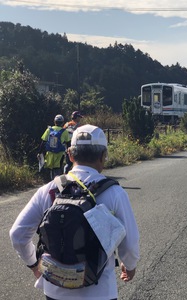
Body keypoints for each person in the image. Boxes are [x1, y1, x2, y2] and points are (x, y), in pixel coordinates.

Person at [10, 124, 140, 300]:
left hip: (54, 290)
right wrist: (129, 266)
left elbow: (17, 234)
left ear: (70, 155)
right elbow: (129, 242)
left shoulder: (49, 190)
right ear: (104, 156)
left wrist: (34, 264)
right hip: (99, 292)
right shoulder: (114, 193)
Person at [38, 114, 71, 180]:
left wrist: (39, 152)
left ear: (54, 121)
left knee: (50, 169)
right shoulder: (64, 132)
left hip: (49, 154)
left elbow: (43, 141)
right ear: (62, 122)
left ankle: (49, 183)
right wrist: (68, 153)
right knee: (58, 169)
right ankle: (59, 185)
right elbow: (68, 144)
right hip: (60, 154)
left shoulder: (49, 130)